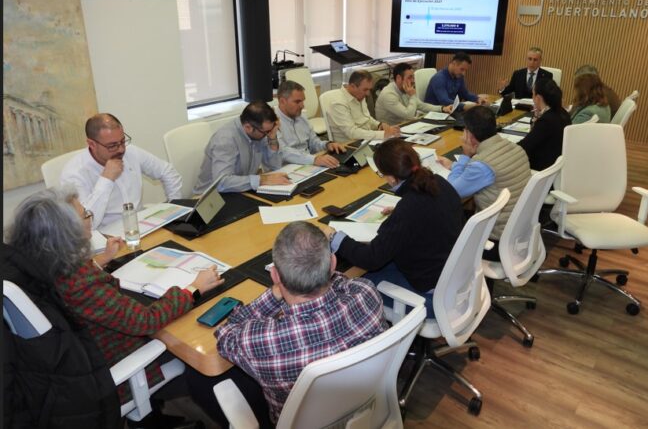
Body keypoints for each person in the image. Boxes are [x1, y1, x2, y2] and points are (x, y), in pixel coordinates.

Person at [4, 186, 224, 405]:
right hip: (115, 365)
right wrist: (194, 288)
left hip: (81, 358)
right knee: (203, 349)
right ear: (67, 232)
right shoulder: (81, 283)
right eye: (85, 215)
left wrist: (102, 260)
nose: (89, 218)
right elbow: (146, 321)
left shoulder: (42, 264)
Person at [189, 221, 387, 427]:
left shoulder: (262, 341)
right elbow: (342, 283)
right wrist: (322, 272)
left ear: (275, 275)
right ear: (333, 263)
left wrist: (275, 294)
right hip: (366, 414)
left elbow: (226, 333)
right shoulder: (367, 294)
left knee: (200, 381)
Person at [322, 139, 463, 317]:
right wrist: (400, 213)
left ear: (390, 177)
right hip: (454, 275)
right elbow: (429, 210)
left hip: (431, 290)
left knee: (356, 280)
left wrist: (334, 237)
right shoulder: (439, 182)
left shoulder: (409, 208)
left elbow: (371, 258)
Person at [61, 113, 183, 231]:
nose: (121, 149)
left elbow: (167, 172)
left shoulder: (130, 152)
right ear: (92, 144)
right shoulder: (74, 174)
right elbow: (86, 224)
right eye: (112, 146)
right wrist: (106, 179)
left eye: (123, 141)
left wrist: (175, 209)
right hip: (105, 235)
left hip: (142, 224)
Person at [437, 106, 530, 258]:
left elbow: (452, 191)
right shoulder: (515, 148)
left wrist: (465, 155)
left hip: (495, 241)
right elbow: (488, 171)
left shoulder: (482, 165)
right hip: (521, 231)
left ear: (469, 135)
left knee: (441, 226)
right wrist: (454, 166)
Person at [193, 101, 291, 194]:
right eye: (266, 132)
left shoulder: (260, 132)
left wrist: (272, 138)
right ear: (248, 127)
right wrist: (261, 179)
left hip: (240, 191)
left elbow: (274, 167)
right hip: (212, 198)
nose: (267, 134)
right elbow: (222, 182)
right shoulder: (225, 139)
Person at [275, 80, 346, 168]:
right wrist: (314, 159)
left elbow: (314, 143)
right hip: (287, 168)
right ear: (282, 101)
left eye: (302, 101)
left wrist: (327, 145)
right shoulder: (271, 122)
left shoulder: (302, 117)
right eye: (297, 102)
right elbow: (283, 152)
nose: (302, 106)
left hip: (308, 164)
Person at [324, 70, 401, 143]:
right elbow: (352, 133)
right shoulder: (338, 103)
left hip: (365, 139)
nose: (368, 94)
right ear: (353, 86)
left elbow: (367, 118)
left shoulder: (358, 95)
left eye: (369, 89)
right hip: (350, 144)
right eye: (365, 90)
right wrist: (383, 134)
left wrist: (379, 125)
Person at [375, 62, 453, 125]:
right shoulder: (388, 94)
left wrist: (442, 108)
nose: (413, 81)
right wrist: (412, 96)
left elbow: (421, 105)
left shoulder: (405, 88)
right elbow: (408, 115)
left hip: (404, 126)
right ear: (399, 78)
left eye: (413, 77)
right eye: (409, 77)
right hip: (390, 132)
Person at [518, 79, 571, 171]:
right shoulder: (563, 112)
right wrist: (537, 116)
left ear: (538, 98)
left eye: (533, 95)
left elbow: (524, 147)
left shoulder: (546, 121)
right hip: (556, 165)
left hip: (541, 168)